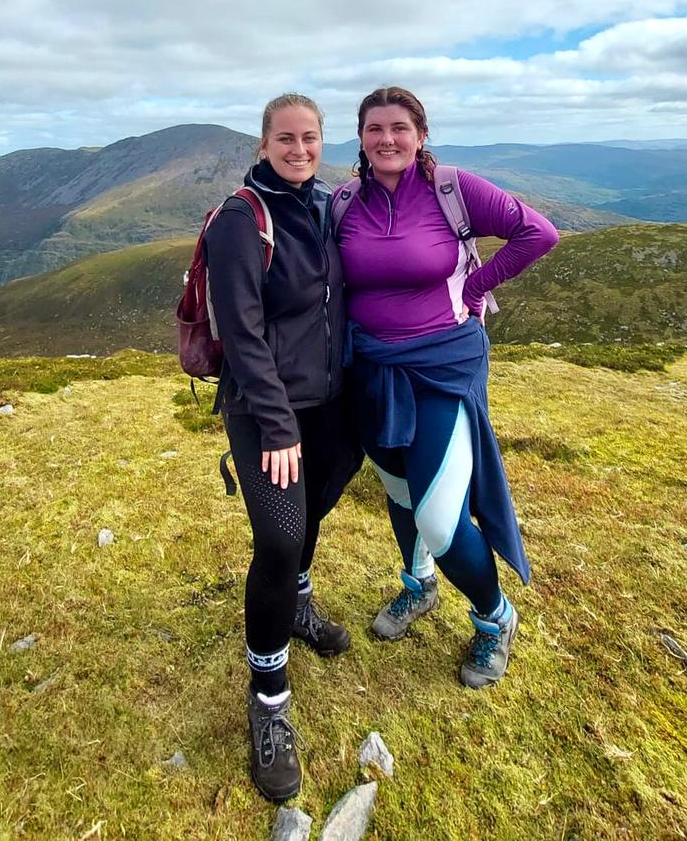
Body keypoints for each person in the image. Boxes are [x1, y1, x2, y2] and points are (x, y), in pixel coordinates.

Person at [335, 86, 558, 689]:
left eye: (399, 127)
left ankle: (494, 617)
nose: (387, 139)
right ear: (360, 137)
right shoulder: (344, 201)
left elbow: (539, 234)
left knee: (438, 515)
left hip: (442, 363)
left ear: (421, 134)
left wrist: (475, 287)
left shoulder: (452, 188)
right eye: (375, 128)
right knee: (401, 491)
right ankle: (419, 585)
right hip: (372, 367)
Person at [204, 92, 363, 802]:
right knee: (278, 537)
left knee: (314, 513)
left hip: (331, 403)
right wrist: (276, 426)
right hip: (267, 410)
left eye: (310, 138)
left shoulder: (326, 207)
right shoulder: (245, 219)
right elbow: (240, 331)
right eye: (286, 138)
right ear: (264, 142)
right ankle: (268, 697)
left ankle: (297, 604)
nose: (299, 149)